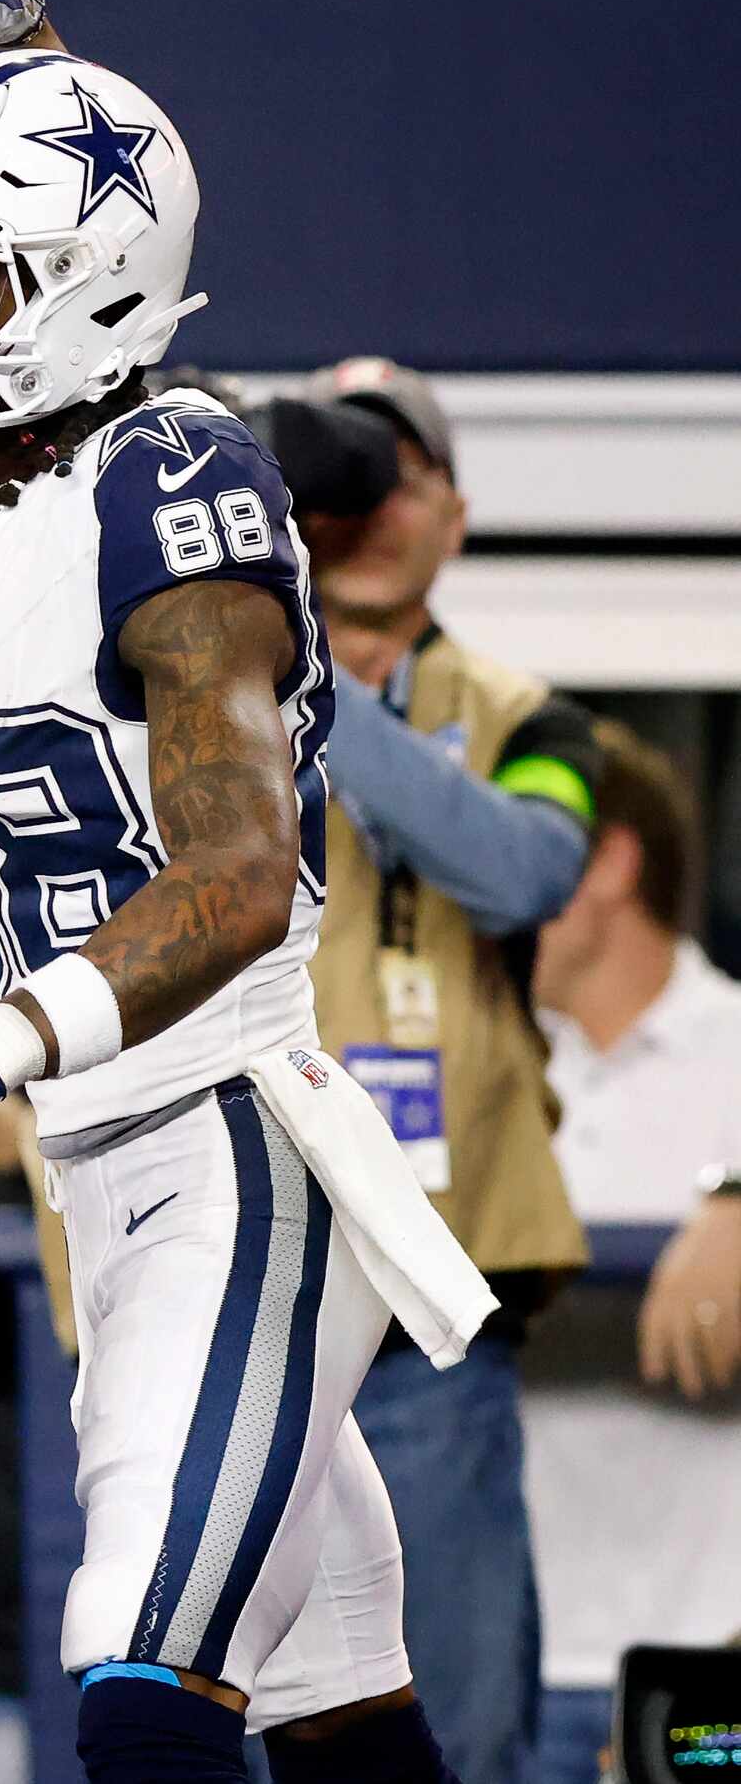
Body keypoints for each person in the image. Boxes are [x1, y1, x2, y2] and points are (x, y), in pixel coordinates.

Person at [0, 49, 494, 1784]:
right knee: (340, 1717)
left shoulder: (167, 482)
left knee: (135, 1678)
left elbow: (237, 877)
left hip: (234, 1146)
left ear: (86, 290)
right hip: (97, 1174)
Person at [289, 356, 602, 1784]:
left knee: (452, 1736)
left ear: (455, 515)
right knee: (205, 1727)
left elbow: (526, 869)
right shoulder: (163, 691)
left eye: (397, 468)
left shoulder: (532, 715)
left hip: (430, 1304)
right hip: (216, 1294)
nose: (366, 496)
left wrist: (294, 678)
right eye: (336, 466)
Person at [522, 720, 741, 1784]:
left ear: (609, 863)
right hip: (492, 1656)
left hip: (712, 1657)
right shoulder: (477, 1065)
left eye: (525, 836)